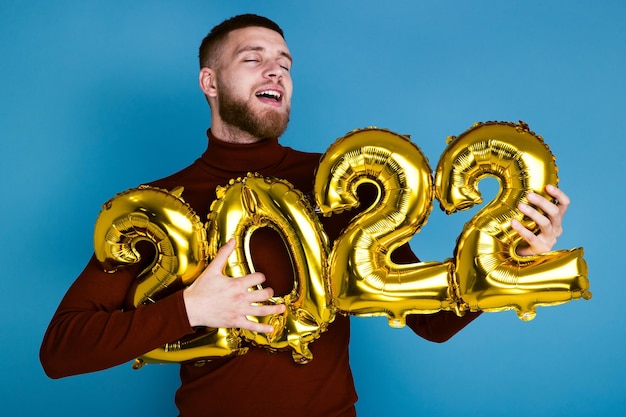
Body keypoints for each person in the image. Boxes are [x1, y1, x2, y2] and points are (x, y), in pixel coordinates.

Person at [40, 14, 572, 417]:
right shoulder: (160, 205)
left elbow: (432, 323)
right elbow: (60, 352)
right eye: (253, 58)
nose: (277, 69)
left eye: (285, 63)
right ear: (210, 82)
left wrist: (514, 254)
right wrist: (190, 309)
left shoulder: (342, 184)